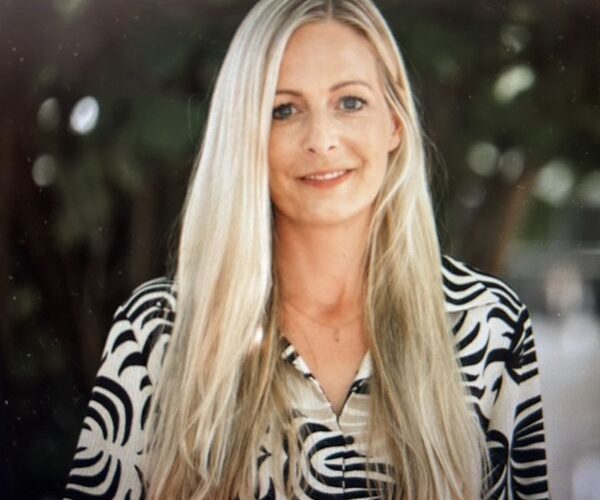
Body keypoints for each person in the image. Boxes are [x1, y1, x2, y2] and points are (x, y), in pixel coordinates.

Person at [64, 0, 549, 498]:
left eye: (350, 102)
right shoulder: (158, 333)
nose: (321, 139)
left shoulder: (486, 323)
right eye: (284, 110)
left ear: (395, 122)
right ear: (246, 135)